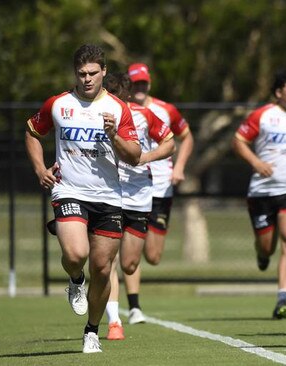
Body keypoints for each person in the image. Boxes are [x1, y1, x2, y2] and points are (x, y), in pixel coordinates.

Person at [25, 44, 141, 353]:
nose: (87, 79)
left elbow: (135, 155)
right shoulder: (59, 103)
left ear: (104, 72)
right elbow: (33, 132)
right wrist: (39, 168)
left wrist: (114, 135)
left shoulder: (118, 108)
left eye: (93, 73)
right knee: (77, 254)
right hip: (69, 189)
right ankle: (75, 279)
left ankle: (91, 331)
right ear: (75, 73)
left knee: (102, 269)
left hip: (108, 195)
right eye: (81, 73)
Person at [232, 68, 286, 319]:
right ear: (278, 93)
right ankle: (262, 252)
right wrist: (255, 163)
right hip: (262, 191)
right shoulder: (263, 115)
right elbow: (239, 141)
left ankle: (283, 297)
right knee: (267, 247)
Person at [102, 73, 175, 340]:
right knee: (106, 259)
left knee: (130, 263)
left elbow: (170, 143)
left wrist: (145, 156)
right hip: (106, 193)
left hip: (140, 194)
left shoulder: (143, 116)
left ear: (127, 97)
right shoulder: (89, 114)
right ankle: (113, 321)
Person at [123, 62, 194, 324]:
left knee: (152, 256)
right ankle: (134, 307)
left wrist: (180, 168)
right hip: (130, 187)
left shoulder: (165, 110)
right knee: (128, 247)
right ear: (128, 85)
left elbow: (186, 137)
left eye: (143, 83)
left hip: (161, 188)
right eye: (135, 83)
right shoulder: (120, 110)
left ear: (149, 83)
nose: (140, 88)